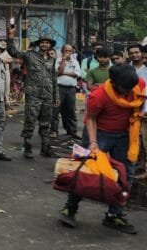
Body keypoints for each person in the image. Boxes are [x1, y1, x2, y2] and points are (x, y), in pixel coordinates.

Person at [59, 64, 143, 234]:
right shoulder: (99, 95)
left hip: (125, 135)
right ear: (113, 82)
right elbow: (90, 119)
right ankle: (70, 208)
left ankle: (114, 215)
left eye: (130, 88)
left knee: (126, 174)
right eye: (124, 88)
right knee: (85, 171)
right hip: (99, 134)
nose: (128, 92)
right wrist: (93, 143)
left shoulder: (138, 86)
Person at [6, 28, 59, 159]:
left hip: (47, 95)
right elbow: (13, 52)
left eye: (47, 43)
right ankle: (28, 148)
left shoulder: (52, 60)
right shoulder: (30, 55)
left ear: (50, 45)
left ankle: (45, 148)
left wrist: (55, 96)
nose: (44, 44)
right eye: (42, 42)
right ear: (39, 44)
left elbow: (53, 78)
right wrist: (11, 37)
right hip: (33, 95)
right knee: (30, 121)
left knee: (46, 123)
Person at [55, 44, 82, 139]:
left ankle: (72, 131)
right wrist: (63, 60)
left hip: (71, 89)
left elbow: (77, 74)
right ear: (62, 51)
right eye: (66, 51)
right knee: (56, 109)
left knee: (70, 110)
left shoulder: (75, 61)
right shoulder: (57, 60)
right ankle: (53, 131)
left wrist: (64, 73)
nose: (68, 53)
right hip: (59, 88)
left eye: (70, 51)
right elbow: (58, 72)